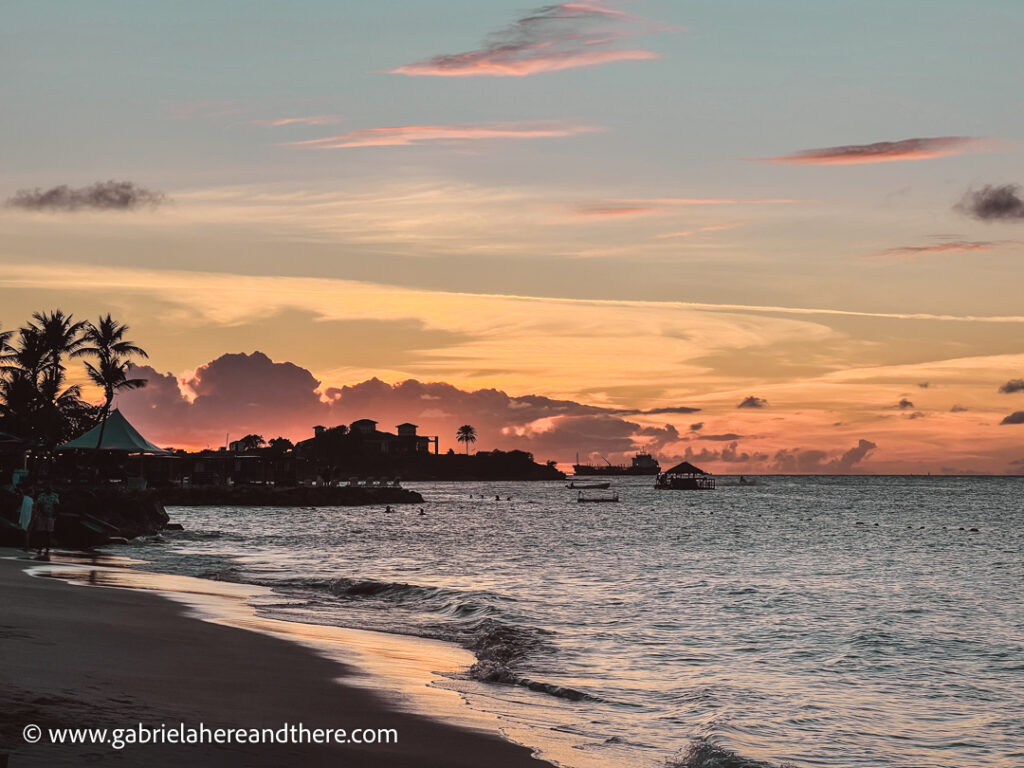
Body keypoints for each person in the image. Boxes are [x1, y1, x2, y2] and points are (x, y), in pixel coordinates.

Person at [33, 484, 59, 560]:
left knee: (49, 533)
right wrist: (44, 513)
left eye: (50, 489)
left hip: (50, 516)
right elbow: (39, 505)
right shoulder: (42, 496)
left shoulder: (55, 496)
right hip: (42, 516)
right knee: (41, 532)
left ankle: (47, 548)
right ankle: (40, 547)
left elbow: (57, 506)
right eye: (47, 489)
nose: (49, 490)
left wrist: (54, 515)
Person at [18, 485, 34, 552]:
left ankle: (26, 546)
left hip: (26, 517)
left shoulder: (26, 498)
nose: (33, 494)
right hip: (28, 517)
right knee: (27, 532)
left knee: (26, 532)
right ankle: (26, 546)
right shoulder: (29, 499)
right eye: (33, 492)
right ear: (30, 493)